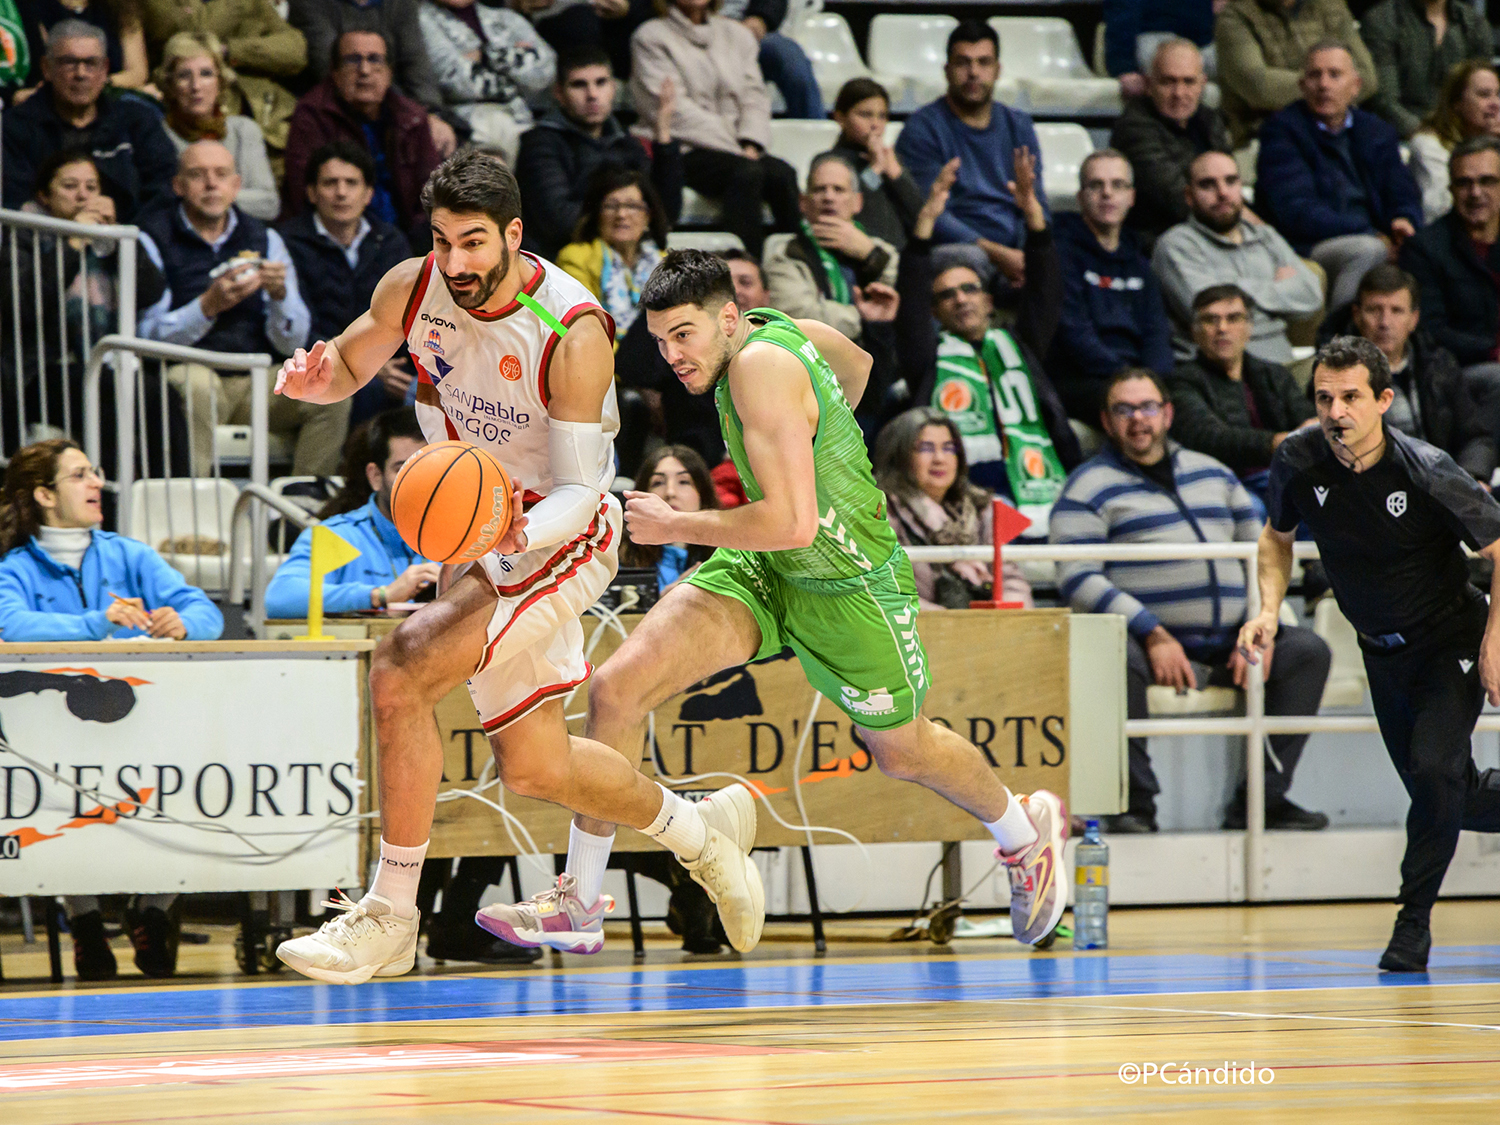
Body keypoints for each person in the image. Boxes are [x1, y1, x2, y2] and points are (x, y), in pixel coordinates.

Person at [271, 151, 759, 982]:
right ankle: (701, 832)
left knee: (400, 668)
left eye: (472, 243)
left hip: (561, 529)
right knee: (537, 766)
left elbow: (583, 485)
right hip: (486, 527)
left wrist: (504, 536)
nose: (454, 262)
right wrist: (316, 383)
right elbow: (351, 363)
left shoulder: (571, 328)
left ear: (513, 235)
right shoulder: (412, 285)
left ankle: (391, 914)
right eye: (441, 240)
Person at [569, 250, 1067, 952]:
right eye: (659, 340)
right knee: (616, 690)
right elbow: (858, 364)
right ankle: (581, 900)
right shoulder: (783, 328)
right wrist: (818, 431)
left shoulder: (761, 367)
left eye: (683, 334)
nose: (671, 355)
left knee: (902, 750)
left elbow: (795, 523)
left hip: (848, 584)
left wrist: (676, 523)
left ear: (729, 319)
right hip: (765, 567)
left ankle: (1023, 832)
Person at [1239, 334, 1500, 971]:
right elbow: (1275, 542)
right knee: (1445, 794)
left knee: (1435, 773)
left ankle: (1411, 930)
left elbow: (1499, 549)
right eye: (1325, 398)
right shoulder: (1298, 460)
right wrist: (1268, 611)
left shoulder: (1428, 469)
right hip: (1381, 654)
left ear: (1383, 400)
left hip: (1451, 638)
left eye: (1352, 396)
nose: (1336, 412)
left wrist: (1494, 644)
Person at [1054, 369, 1331, 833]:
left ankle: (1263, 801)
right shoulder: (1087, 485)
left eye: (1147, 407)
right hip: (1148, 644)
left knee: (1307, 652)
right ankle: (1134, 806)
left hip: (1232, 640)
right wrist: (1152, 632)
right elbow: (1075, 573)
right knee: (1109, 653)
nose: (1137, 420)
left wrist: (1256, 628)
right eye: (1124, 409)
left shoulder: (1213, 472)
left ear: (1167, 413)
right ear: (1106, 420)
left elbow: (1263, 552)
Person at [0, 439, 224, 979]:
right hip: (53, 736)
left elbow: (204, 610)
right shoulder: (15, 565)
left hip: (143, 727)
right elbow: (8, 624)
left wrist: (185, 622)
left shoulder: (129, 554)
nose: (96, 482)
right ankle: (83, 920)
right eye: (79, 476)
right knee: (55, 792)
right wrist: (94, 624)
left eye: (94, 473)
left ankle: (152, 910)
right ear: (44, 495)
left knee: (193, 777)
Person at [898, 157, 1079, 535]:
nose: (961, 299)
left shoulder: (1020, 344)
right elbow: (910, 305)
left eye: (970, 289)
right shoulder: (928, 357)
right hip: (963, 490)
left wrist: (1034, 217)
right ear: (935, 310)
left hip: (1037, 472)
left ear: (989, 301)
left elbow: (1046, 291)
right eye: (947, 295)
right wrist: (926, 222)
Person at [138, 141, 322, 477]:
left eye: (221, 175)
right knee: (196, 386)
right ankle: (193, 514)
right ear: (178, 186)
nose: (211, 184)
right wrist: (206, 307)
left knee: (328, 388)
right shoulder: (152, 237)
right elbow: (146, 338)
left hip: (255, 378)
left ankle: (303, 507)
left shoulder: (265, 239)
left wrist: (281, 297)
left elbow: (290, 343)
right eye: (197, 175)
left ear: (236, 186)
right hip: (191, 369)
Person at [0, 149, 168, 454]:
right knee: (118, 395)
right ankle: (112, 498)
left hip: (104, 364)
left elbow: (151, 292)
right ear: (44, 195)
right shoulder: (22, 234)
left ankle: (157, 496)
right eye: (70, 186)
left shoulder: (109, 240)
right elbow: (22, 304)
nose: (83, 196)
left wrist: (116, 244)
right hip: (41, 370)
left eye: (91, 187)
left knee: (163, 396)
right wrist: (73, 243)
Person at [1255, 42, 1422, 317]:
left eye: (1334, 74)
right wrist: (1373, 235)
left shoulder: (1376, 129)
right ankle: (1341, 340)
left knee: (1427, 248)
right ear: (1302, 85)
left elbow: (1401, 189)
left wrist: (1403, 220)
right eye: (1314, 75)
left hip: (1376, 235)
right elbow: (1297, 211)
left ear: (1355, 85)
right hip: (1309, 243)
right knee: (1365, 251)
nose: (1323, 84)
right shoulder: (1281, 131)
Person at [628, 0, 798, 258]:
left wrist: (751, 142)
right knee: (746, 172)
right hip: (684, 148)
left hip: (741, 146)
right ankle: (742, 269)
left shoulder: (738, 35)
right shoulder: (650, 36)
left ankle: (795, 266)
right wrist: (736, 147)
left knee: (783, 174)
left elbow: (755, 96)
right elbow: (675, 112)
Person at [894, 19, 1047, 286]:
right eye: (963, 62)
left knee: (1061, 254)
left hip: (1014, 250)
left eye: (984, 62)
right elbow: (929, 214)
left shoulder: (1019, 125)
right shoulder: (922, 128)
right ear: (947, 70)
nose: (974, 72)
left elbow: (1037, 200)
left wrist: (1026, 252)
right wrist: (998, 254)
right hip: (956, 248)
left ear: (998, 70)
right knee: (970, 257)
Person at [280, 141, 414, 428]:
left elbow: (407, 314)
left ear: (368, 194)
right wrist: (365, 366)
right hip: (327, 364)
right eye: (330, 183)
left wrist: (387, 365)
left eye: (351, 183)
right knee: (365, 392)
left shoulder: (390, 241)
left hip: (390, 363)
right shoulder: (288, 242)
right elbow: (301, 324)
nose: (341, 192)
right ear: (312, 193)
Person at [1152, 150, 1325, 365]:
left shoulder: (1264, 235)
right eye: (1208, 184)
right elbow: (1212, 313)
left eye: (1231, 181)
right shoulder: (1176, 244)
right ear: (1189, 196)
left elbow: (1311, 296)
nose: (1223, 192)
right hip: (1218, 370)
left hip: (1282, 364)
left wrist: (1233, 288)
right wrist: (1279, 292)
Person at [265, 408, 438, 618]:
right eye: (403, 468)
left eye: (428, 467)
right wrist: (381, 595)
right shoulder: (336, 535)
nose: (418, 481)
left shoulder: (467, 539)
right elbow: (281, 598)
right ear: (375, 476)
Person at [515, 44, 682, 260]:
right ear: (559, 93)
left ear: (613, 88)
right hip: (557, 271)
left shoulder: (626, 143)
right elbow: (559, 221)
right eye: (579, 85)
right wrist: (629, 218)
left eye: (601, 83)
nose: (592, 94)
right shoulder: (539, 143)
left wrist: (663, 137)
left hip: (624, 265)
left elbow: (664, 214)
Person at [281, 30, 444, 247]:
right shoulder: (311, 115)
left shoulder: (411, 117)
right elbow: (302, 193)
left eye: (375, 60)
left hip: (406, 237)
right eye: (353, 60)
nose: (364, 71)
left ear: (389, 72)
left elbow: (432, 190)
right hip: (335, 237)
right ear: (335, 72)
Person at [1, 21, 177, 217]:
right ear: (46, 68)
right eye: (69, 62)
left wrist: (121, 228)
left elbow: (164, 191)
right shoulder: (14, 127)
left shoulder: (138, 120)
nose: (81, 74)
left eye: (91, 63)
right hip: (43, 242)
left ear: (105, 69)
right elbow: (14, 202)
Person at [1051, 148, 1173, 420]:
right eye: (1096, 185)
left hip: (1137, 377)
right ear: (1081, 198)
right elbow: (1074, 335)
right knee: (1132, 409)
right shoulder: (1060, 254)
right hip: (1082, 378)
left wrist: (1152, 380)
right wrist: (1130, 381)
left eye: (1118, 185)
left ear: (1131, 197)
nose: (1107, 193)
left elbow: (1156, 334)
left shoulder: (1141, 263)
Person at [1342, 264, 1496, 481]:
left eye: (1396, 311)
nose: (1385, 323)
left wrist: (1471, 477)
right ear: (1357, 315)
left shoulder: (1439, 364)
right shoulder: (1336, 375)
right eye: (1374, 310)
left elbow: (1475, 437)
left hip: (1443, 485)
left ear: (1414, 319)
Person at [872, 407, 1031, 611]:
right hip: (914, 632)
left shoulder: (982, 508)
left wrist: (1009, 613)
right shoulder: (879, 511)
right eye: (926, 448)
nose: (940, 458)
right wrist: (950, 623)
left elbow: (1010, 579)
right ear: (899, 456)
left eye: (948, 448)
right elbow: (883, 591)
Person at [1168, 285, 1316, 500]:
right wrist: (1276, 442)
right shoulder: (1181, 381)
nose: (1222, 328)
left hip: (1286, 475)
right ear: (1195, 331)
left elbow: (1306, 417)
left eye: (1233, 318)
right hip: (1226, 483)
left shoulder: (1273, 373)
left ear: (1249, 328)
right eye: (1211, 320)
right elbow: (1208, 437)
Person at [1400, 137, 1500, 433]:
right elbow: (1428, 331)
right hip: (1460, 369)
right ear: (1451, 189)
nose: (1475, 193)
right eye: (1463, 183)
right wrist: (1493, 350)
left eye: (1488, 181)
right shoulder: (1425, 248)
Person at [762, 152, 900, 344]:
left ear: (857, 202)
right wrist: (865, 317)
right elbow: (796, 317)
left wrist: (872, 257)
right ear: (803, 202)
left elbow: (905, 301)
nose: (829, 197)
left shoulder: (881, 251)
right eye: (819, 189)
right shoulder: (784, 250)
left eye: (839, 189)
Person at [140, 0, 308, 156]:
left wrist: (231, 51)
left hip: (267, 118)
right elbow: (197, 34)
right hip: (194, 120)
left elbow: (296, 51)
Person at [1109, 38, 1231, 250]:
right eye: (1168, 82)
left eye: (1189, 82)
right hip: (1159, 244)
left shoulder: (1210, 120)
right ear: (1148, 85)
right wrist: (1235, 217)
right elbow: (1177, 200)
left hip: (1211, 233)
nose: (1179, 93)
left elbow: (1230, 184)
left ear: (1203, 84)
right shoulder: (1133, 127)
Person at [1214, 0, 1378, 147]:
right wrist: (1336, 83)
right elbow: (1258, 87)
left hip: (1341, 130)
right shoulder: (1235, 16)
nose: (1324, 84)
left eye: (1333, 76)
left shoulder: (1332, 6)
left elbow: (1366, 78)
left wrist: (1321, 88)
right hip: (1264, 136)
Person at [154, 30, 278, 220]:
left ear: (220, 82)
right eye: (184, 75)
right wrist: (229, 195)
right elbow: (162, 204)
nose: (196, 86)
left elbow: (268, 204)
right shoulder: (156, 134)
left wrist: (200, 197)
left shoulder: (243, 131)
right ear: (170, 85)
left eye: (206, 74)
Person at [417, 0, 556, 166]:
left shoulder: (505, 17)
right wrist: (517, 58)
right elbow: (457, 83)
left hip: (523, 116)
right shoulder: (420, 20)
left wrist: (485, 56)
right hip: (467, 123)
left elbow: (546, 72)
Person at [557, 166, 668, 341]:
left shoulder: (664, 263)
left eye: (632, 206)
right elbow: (584, 329)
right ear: (596, 214)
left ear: (648, 215)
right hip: (605, 358)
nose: (621, 214)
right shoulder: (575, 259)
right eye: (611, 206)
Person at [1360, 0, 1493, 140]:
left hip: (1462, 135)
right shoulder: (1383, 19)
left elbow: (1484, 92)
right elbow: (1384, 101)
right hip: (1399, 138)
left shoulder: (1473, 23)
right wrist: (1428, 136)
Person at [828, 77, 923, 252]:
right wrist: (874, 170)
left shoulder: (891, 162)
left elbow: (919, 216)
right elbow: (856, 208)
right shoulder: (830, 164)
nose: (875, 124)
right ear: (840, 118)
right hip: (859, 255)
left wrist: (896, 174)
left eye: (882, 116)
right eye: (865, 115)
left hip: (902, 256)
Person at [1407, 61, 1500, 223]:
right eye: (1484, 95)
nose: (1495, 104)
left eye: (1498, 94)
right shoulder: (1428, 146)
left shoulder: (1493, 143)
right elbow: (1438, 208)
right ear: (1456, 103)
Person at [618, 443, 718, 589]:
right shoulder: (619, 554)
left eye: (684, 482)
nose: (670, 492)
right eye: (658, 483)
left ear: (702, 494)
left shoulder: (723, 553)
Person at [718, 0, 824, 120]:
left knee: (789, 57)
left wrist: (760, 19)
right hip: (702, 30)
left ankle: (812, 131)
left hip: (749, 33)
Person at [16, 0, 151, 92]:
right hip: (58, 102)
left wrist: (97, 86)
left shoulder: (122, 6)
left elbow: (137, 73)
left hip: (113, 96)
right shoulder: (31, 6)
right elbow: (47, 72)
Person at [1103, 0, 1217, 96]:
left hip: (1202, 42)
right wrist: (1124, 67)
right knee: (1174, 69)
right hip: (1152, 34)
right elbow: (1121, 16)